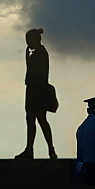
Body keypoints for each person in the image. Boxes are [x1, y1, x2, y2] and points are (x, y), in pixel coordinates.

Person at [16, 28, 57, 160]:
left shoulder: (40, 53)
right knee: (32, 119)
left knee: (39, 119)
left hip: (37, 90)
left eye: (28, 40)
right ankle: (31, 149)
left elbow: (35, 72)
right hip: (34, 89)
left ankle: (47, 149)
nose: (27, 43)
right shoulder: (38, 53)